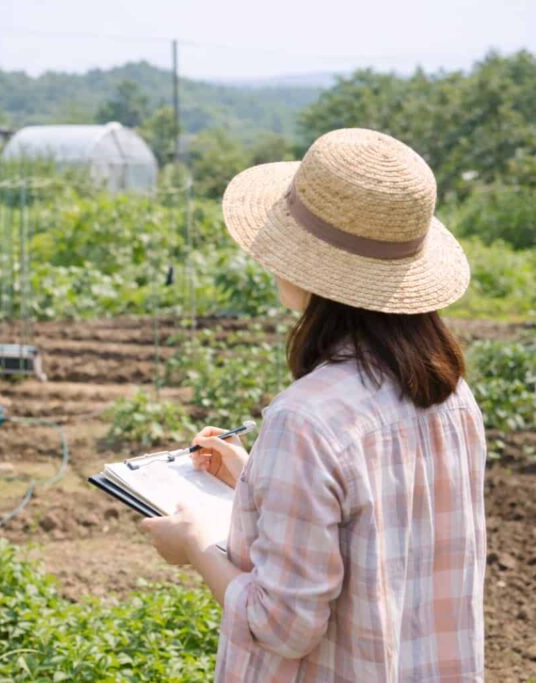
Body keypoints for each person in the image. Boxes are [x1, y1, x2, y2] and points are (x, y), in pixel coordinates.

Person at [141, 128, 486, 681]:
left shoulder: (306, 419)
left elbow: (282, 626)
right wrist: (252, 477)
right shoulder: (451, 394)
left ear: (309, 266)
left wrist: (195, 547)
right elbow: (372, 525)